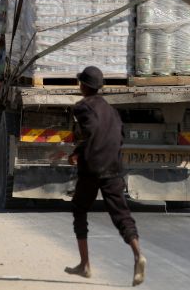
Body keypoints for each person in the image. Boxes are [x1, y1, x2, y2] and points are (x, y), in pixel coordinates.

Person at [66, 66, 146, 286]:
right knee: (121, 214)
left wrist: (77, 153)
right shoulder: (112, 110)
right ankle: (138, 254)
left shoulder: (82, 108)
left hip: (93, 168)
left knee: (79, 209)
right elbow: (119, 136)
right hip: (114, 167)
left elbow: (92, 132)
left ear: (83, 86)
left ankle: (84, 265)